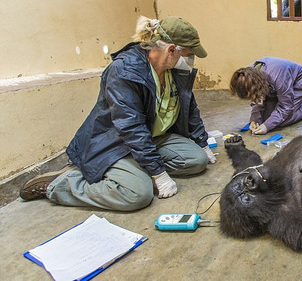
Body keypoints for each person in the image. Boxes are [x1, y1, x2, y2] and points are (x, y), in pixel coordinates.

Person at [19, 16, 217, 211]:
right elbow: (131, 127)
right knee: (138, 195)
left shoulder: (172, 69)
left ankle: (133, 172)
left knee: (196, 160)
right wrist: (158, 174)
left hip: (153, 137)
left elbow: (189, 106)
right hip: (116, 144)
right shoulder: (124, 70)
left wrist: (202, 142)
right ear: (171, 50)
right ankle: (60, 184)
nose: (190, 60)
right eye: (189, 54)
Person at [229, 57, 302, 135]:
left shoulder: (278, 77)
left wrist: (267, 126)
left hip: (298, 81)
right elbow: (256, 100)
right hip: (274, 87)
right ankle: (301, 103)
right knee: (266, 117)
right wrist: (254, 119)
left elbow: (286, 107)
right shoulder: (247, 77)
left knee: (284, 119)